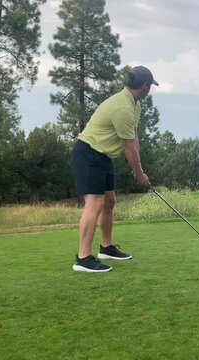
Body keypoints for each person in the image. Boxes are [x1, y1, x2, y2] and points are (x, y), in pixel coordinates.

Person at [71, 66, 157, 272]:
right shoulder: (122, 108)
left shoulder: (134, 104)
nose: (150, 90)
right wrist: (138, 173)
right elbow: (127, 147)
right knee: (95, 203)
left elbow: (134, 138)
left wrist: (140, 170)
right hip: (88, 152)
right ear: (145, 85)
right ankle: (82, 259)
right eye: (150, 86)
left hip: (103, 155)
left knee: (109, 201)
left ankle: (106, 248)